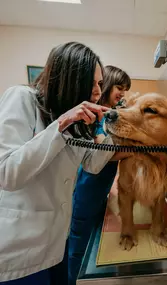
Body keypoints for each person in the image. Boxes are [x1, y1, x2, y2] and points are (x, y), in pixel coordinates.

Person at [0, 42, 130, 284]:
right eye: (92, 83)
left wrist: (117, 132)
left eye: (100, 84)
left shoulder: (77, 119)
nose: (96, 91)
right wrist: (61, 126)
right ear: (70, 78)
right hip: (19, 249)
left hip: (57, 241)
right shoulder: (22, 99)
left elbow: (91, 163)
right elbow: (7, 173)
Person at [68, 65, 131, 284]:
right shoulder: (94, 116)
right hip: (85, 194)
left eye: (125, 89)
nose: (122, 93)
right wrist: (140, 150)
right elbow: (103, 153)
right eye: (119, 87)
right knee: (78, 251)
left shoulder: (110, 115)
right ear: (106, 85)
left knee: (89, 248)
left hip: (98, 194)